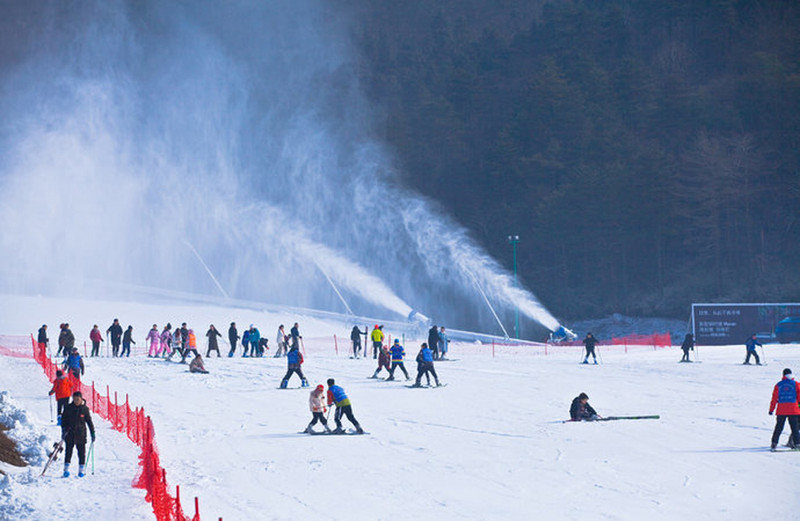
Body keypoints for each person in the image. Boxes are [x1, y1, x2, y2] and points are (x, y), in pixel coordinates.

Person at [61, 391, 95, 478]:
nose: (76, 401)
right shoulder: (68, 408)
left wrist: (92, 432)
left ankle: (81, 471)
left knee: (81, 453)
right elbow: (63, 420)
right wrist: (64, 430)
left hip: (81, 434)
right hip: (69, 433)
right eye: (74, 399)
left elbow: (89, 422)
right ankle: (66, 470)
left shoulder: (84, 409)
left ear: (81, 399)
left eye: (78, 399)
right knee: (68, 452)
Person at [769, 368, 800, 451]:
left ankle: (774, 444)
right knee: (795, 428)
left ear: (783, 375)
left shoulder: (778, 385)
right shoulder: (796, 384)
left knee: (778, 428)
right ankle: (797, 444)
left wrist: (771, 410)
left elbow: (774, 398)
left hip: (781, 410)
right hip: (794, 410)